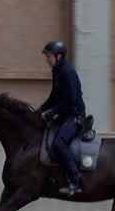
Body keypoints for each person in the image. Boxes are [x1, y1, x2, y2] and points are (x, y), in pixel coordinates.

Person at [37, 40, 87, 196]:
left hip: (75, 116)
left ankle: (75, 180)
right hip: (64, 115)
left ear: (59, 56)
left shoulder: (67, 72)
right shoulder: (57, 70)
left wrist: (52, 113)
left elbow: (70, 99)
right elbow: (54, 96)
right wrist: (40, 109)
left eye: (49, 56)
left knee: (58, 144)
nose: (47, 59)